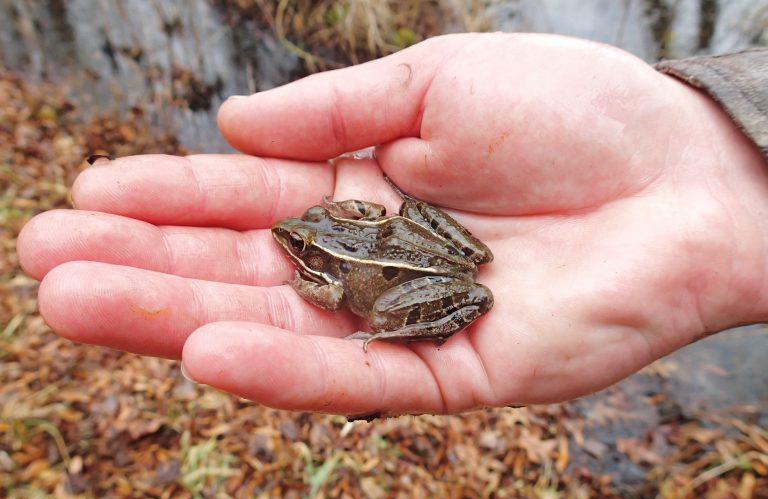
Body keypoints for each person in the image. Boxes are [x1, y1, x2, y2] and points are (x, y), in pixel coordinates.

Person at [16, 33, 768, 417]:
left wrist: (320, 280)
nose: (294, 238)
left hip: (398, 284)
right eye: (305, 236)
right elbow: (369, 219)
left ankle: (403, 328)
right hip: (422, 249)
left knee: (370, 308)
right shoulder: (346, 222)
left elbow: (335, 298)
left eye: (302, 240)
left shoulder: (325, 263)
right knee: (409, 218)